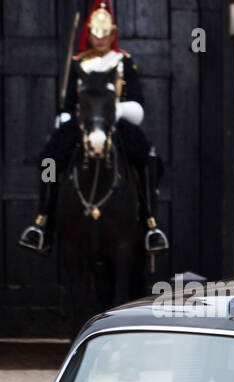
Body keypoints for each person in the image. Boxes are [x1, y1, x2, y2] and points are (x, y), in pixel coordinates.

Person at [18, 0, 168, 254]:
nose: (100, 39)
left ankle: (150, 224)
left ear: (113, 33)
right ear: (89, 33)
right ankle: (43, 221)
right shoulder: (78, 63)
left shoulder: (123, 62)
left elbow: (137, 103)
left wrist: (118, 110)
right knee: (49, 159)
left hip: (116, 122)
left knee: (148, 158)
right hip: (82, 124)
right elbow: (69, 103)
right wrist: (65, 118)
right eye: (96, 34)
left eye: (105, 33)